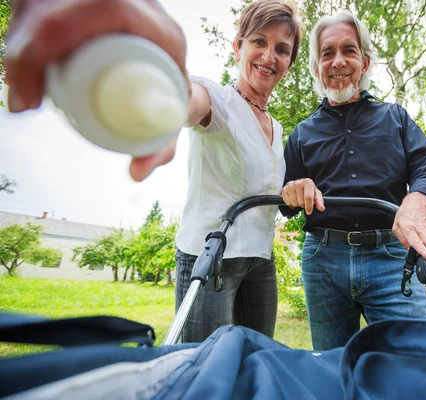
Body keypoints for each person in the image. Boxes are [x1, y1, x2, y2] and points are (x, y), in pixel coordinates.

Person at [6, 0, 303, 343]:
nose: (269, 56)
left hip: (260, 261)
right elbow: (189, 101)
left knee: (256, 361)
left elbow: (268, 191)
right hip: (212, 258)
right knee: (199, 368)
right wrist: (166, 104)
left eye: (282, 49)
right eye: (259, 42)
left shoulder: (277, 130)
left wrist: (297, 187)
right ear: (238, 47)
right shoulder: (218, 100)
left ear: (289, 63)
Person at [280, 10, 426, 351]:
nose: (338, 61)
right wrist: (292, 191)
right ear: (316, 69)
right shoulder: (300, 135)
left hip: (391, 257)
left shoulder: (396, 118)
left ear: (365, 61)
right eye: (327, 53)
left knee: (423, 364)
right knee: (332, 370)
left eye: (349, 51)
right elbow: (284, 202)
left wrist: (416, 204)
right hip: (322, 263)